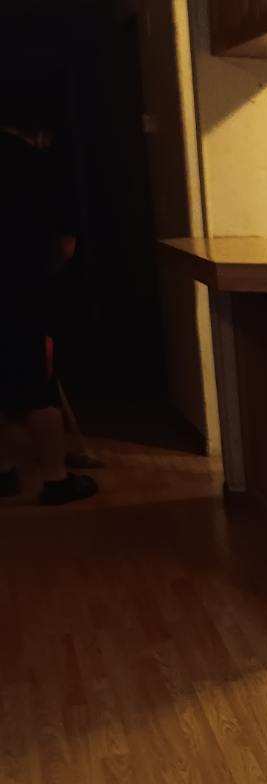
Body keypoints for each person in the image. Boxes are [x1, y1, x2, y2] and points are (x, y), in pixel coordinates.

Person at [0, 84, 98, 505]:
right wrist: (45, 273)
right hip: (23, 288)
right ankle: (56, 479)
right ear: (38, 130)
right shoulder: (41, 167)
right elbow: (65, 244)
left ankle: (3, 473)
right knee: (39, 384)